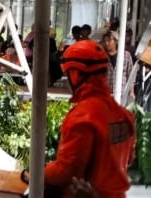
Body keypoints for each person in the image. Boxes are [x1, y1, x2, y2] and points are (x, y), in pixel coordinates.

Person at [44, 40, 136, 197]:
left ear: (77, 74)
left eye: (68, 74)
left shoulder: (83, 116)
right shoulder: (124, 115)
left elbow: (66, 171)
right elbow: (129, 159)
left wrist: (40, 172)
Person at [101, 30, 134, 100]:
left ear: (116, 41)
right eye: (104, 41)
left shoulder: (126, 55)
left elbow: (131, 76)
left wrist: (132, 92)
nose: (106, 43)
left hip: (122, 94)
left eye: (109, 40)